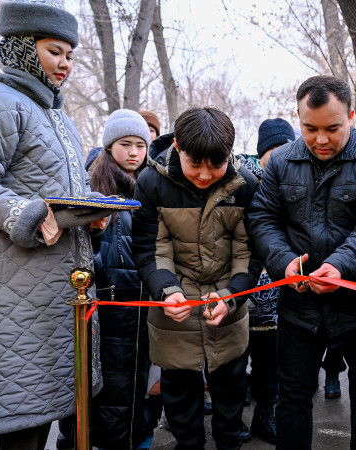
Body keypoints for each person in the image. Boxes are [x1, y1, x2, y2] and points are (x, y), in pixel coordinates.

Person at [0, 1, 112, 447]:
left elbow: (54, 191)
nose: (66, 64)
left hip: (56, 296)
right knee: (24, 422)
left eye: (71, 55)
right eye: (55, 51)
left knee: (58, 407)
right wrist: (34, 215)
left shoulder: (58, 117)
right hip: (10, 294)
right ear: (23, 48)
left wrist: (91, 210)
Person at [249, 75, 356, 450]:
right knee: (293, 400)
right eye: (310, 128)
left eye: (332, 128)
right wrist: (286, 263)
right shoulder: (281, 162)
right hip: (298, 305)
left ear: (351, 115)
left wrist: (340, 266)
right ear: (298, 118)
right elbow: (263, 219)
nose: (320, 139)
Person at [131, 106, 261, 450]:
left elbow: (248, 252)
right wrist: (165, 290)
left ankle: (228, 443)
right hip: (174, 306)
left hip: (227, 306)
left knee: (232, 390)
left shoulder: (245, 185)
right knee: (180, 396)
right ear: (177, 146)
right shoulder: (151, 183)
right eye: (195, 165)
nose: (204, 175)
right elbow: (150, 248)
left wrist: (233, 295)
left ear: (229, 155)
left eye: (215, 166)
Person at [87, 109, 154, 449]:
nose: (133, 152)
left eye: (140, 145)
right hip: (105, 309)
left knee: (139, 390)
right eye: (125, 144)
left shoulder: (154, 185)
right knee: (104, 391)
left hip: (145, 309)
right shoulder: (91, 188)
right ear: (109, 146)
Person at [238, 117, 296, 445]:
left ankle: (266, 410)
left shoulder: (293, 180)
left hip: (278, 286)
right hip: (244, 280)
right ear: (262, 153)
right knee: (236, 355)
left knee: (270, 356)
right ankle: (232, 414)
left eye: (285, 149)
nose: (278, 156)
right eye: (272, 150)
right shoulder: (244, 181)